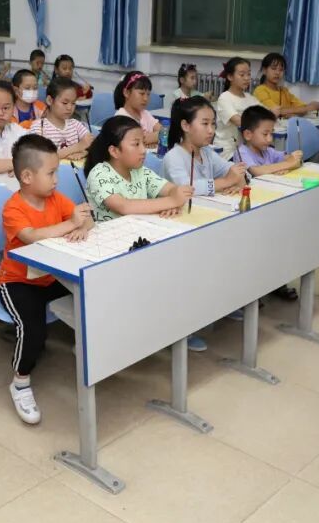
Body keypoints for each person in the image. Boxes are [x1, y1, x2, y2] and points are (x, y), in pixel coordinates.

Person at [0, 134, 93, 424]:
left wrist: (82, 226)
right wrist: (71, 223)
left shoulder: (55, 199)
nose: (56, 180)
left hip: (50, 277)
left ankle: (88, 346)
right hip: (17, 281)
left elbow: (84, 217)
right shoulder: (13, 208)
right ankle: (20, 382)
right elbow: (32, 237)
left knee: (89, 297)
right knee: (33, 329)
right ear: (27, 177)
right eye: (51, 173)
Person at [161, 97, 248, 350]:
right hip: (181, 226)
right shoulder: (174, 157)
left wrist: (237, 180)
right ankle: (185, 330)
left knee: (224, 261)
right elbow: (186, 189)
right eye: (205, 124)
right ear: (185, 126)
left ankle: (222, 306)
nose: (211, 130)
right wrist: (225, 182)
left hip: (206, 220)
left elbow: (234, 170)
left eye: (213, 124)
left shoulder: (207, 153)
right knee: (192, 276)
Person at [85, 115, 192, 222]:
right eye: (136, 144)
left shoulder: (141, 171)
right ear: (114, 151)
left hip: (140, 228)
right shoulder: (99, 174)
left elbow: (171, 189)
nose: (143, 150)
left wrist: (172, 204)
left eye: (143, 143)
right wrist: (171, 202)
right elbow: (124, 207)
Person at [213, 57, 263, 158]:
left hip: (245, 150)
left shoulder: (250, 98)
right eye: (242, 75)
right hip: (227, 152)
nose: (247, 78)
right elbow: (239, 121)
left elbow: (266, 115)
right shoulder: (224, 98)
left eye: (249, 74)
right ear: (230, 76)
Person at [31, 77, 92, 159]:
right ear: (49, 100)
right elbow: (43, 156)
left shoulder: (75, 124)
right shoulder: (38, 127)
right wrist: (78, 147)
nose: (69, 107)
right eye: (65, 103)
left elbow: (91, 143)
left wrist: (85, 152)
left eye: (73, 103)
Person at [236, 106, 303, 177]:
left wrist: (295, 158)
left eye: (271, 133)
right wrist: (288, 164)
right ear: (248, 135)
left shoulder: (268, 151)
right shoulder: (242, 152)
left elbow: (291, 159)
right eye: (265, 134)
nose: (270, 139)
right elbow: (257, 171)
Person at [252, 53, 319, 117]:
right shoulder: (260, 90)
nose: (277, 73)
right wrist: (307, 108)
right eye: (273, 69)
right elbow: (276, 111)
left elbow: (303, 108)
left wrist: (304, 109)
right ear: (264, 70)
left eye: (281, 70)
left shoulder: (284, 91)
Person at [113, 71, 161, 146]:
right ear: (126, 93)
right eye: (141, 93)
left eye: (148, 94)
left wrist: (151, 138)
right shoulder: (121, 118)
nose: (145, 99)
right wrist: (155, 137)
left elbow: (165, 133)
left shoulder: (145, 114)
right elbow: (135, 142)